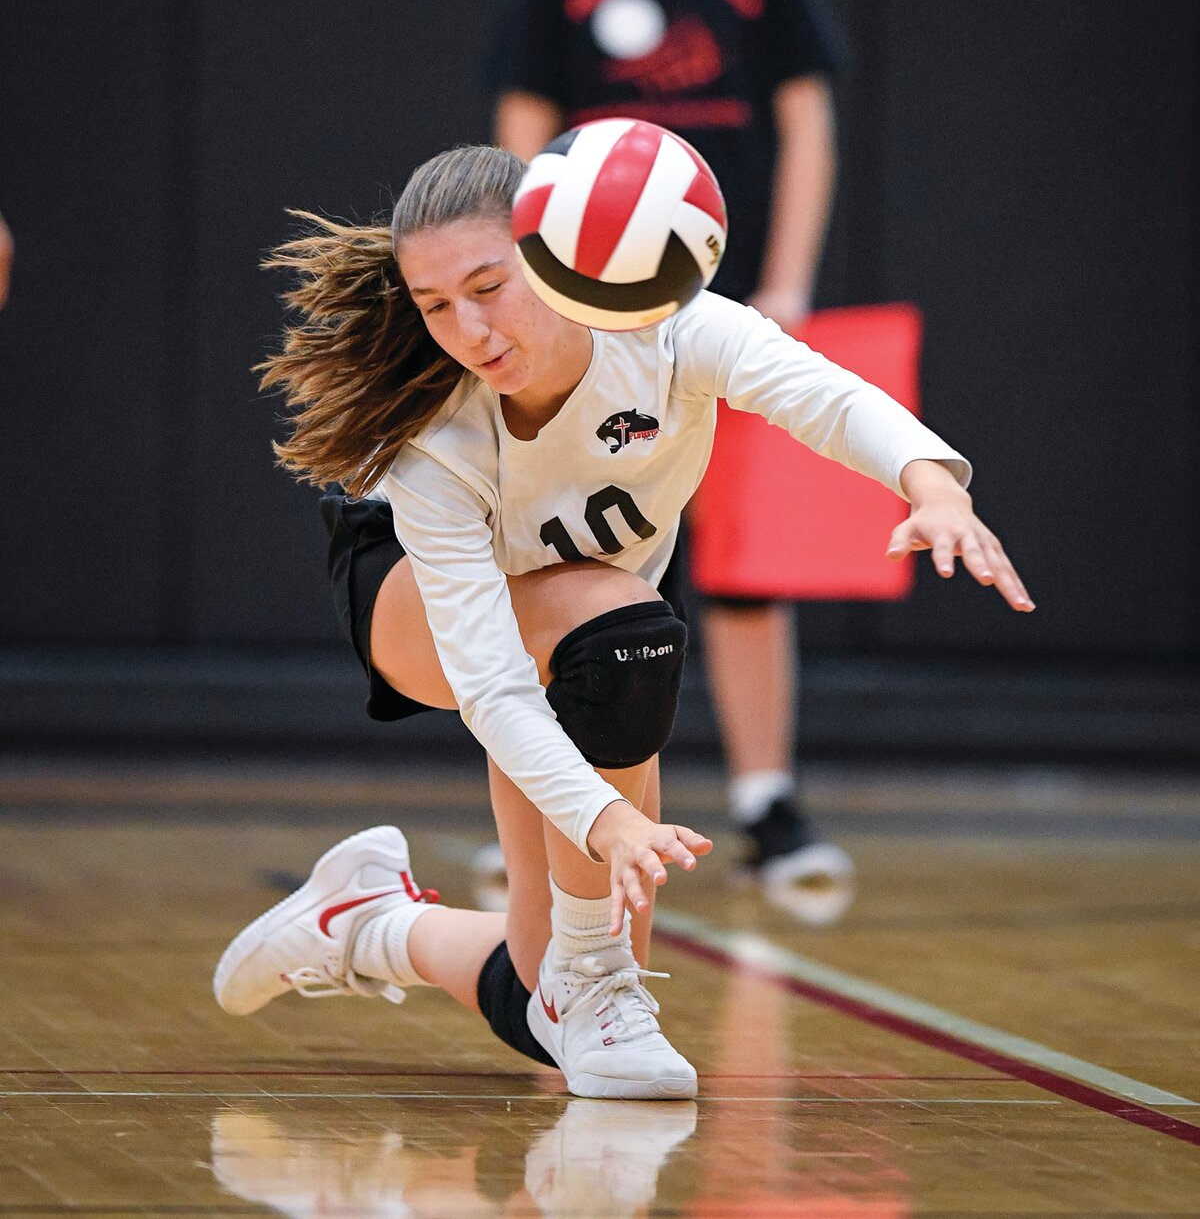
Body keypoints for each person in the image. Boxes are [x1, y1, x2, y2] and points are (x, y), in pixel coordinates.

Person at [212, 145, 1032, 1101]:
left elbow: (826, 397)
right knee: (620, 632)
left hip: (596, 646)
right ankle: (598, 976)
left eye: (489, 285)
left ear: (559, 258)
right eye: (436, 305)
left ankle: (367, 925)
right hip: (418, 609)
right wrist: (603, 820)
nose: (468, 328)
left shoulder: (671, 333)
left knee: (541, 998)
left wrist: (932, 487)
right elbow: (490, 684)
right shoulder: (439, 436)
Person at [486, 0, 851, 890]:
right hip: (595, 316)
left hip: (729, 305)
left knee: (745, 567)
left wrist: (786, 282)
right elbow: (519, 140)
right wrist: (531, 293)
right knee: (591, 563)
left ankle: (767, 800)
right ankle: (563, 808)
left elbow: (806, 122)